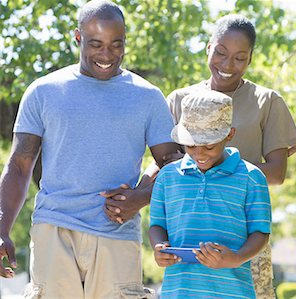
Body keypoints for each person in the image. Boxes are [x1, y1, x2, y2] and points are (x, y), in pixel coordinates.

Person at [0, 0, 180, 298]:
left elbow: (174, 165)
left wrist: (140, 198)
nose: (107, 55)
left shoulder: (148, 97)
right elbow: (19, 165)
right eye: (96, 44)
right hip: (53, 228)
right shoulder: (43, 91)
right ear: (78, 37)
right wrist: (2, 226)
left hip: (117, 234)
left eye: (116, 45)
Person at [164, 14, 296, 298]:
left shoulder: (267, 102)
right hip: (190, 233)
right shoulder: (181, 100)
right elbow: (168, 165)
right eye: (221, 53)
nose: (227, 65)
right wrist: (135, 193)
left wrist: (223, 169)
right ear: (208, 48)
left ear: (250, 59)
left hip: (243, 233)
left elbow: (276, 173)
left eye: (240, 58)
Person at [149, 90, 271, 299]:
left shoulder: (251, 177)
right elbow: (157, 225)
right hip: (178, 291)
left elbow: (261, 233)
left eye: (209, 146)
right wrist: (159, 248)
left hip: (233, 291)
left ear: (229, 134)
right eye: (190, 146)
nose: (199, 154)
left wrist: (236, 258)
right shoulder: (167, 177)